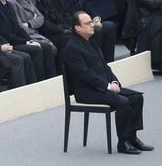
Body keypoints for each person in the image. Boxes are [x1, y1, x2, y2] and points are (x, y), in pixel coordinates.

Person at [63, 11, 153, 155]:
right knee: (123, 102)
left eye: (91, 22)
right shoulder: (72, 48)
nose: (92, 25)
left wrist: (114, 81)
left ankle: (132, 137)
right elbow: (84, 75)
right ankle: (122, 143)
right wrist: (108, 86)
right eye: (87, 23)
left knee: (137, 98)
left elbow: (105, 66)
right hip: (86, 92)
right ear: (77, 28)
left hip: (101, 87)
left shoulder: (90, 41)